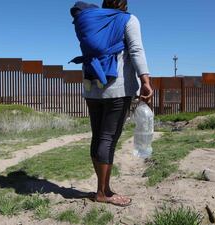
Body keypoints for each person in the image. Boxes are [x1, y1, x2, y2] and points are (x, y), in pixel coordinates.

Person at [70, 0, 153, 207]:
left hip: (91, 87)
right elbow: (136, 50)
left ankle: (101, 188)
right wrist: (145, 81)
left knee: (98, 136)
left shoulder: (91, 20)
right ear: (124, 4)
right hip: (117, 88)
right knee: (108, 139)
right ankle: (103, 192)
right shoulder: (128, 20)